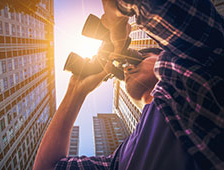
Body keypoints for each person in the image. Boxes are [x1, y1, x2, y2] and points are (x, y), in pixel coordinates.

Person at [33, 0, 224, 169]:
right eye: (122, 73)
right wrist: (76, 90)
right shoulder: (123, 158)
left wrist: (116, 25)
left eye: (140, 58)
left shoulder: (192, 66)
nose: (126, 69)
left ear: (162, 57)